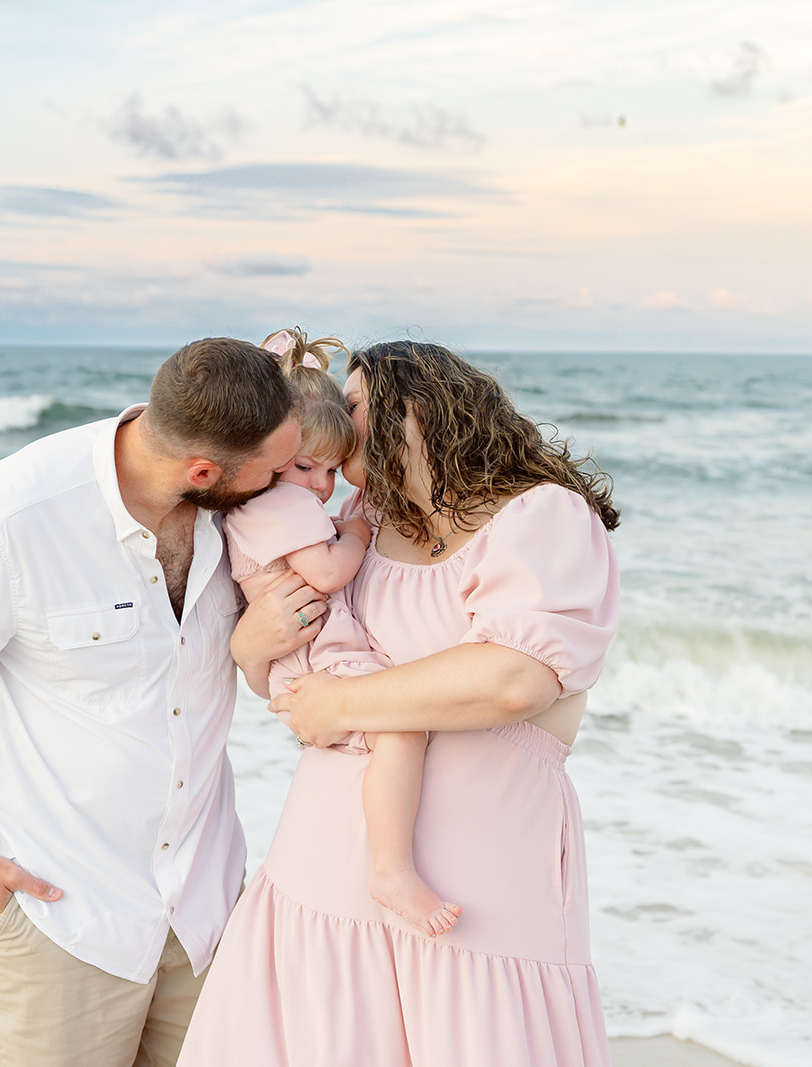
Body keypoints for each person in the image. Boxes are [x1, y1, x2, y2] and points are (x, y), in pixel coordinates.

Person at [0, 337, 328, 1067]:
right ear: (204, 472)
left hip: (208, 914)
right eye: (278, 469)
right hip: (64, 917)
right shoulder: (12, 517)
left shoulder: (240, 510)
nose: (297, 484)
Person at [179, 340, 622, 1067]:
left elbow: (517, 677)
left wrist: (348, 702)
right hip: (320, 872)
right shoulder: (364, 514)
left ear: (418, 405)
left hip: (476, 883)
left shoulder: (540, 515)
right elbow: (298, 679)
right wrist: (250, 646)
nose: (338, 425)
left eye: (352, 405)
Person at [224, 327, 460, 938]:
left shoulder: (276, 503)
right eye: (305, 467)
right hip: (315, 657)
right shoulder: (278, 505)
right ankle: (391, 869)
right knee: (401, 730)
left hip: (307, 655)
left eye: (332, 469)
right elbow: (327, 573)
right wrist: (355, 533)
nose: (324, 486)